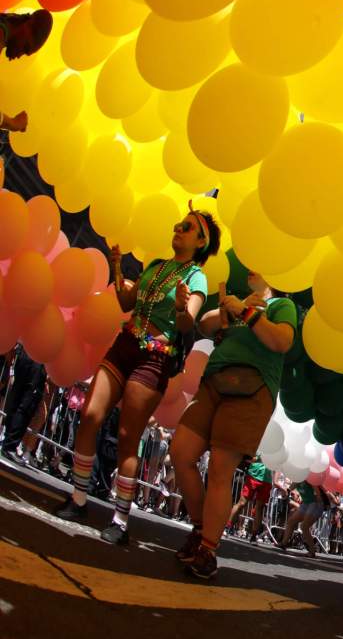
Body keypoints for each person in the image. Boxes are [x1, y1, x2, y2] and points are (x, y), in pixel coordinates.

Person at [53, 209, 219, 544]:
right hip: (125, 344)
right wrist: (116, 267)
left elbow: (188, 323)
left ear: (201, 241)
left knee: (129, 437)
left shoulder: (197, 277)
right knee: (90, 415)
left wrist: (179, 308)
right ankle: (79, 500)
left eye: (187, 228)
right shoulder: (156, 266)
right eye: (179, 223)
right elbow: (126, 301)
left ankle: (120, 519)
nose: (178, 228)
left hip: (154, 359)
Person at [169, 269, 297, 577]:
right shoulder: (238, 301)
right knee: (180, 452)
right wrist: (229, 307)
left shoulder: (282, 305)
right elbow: (205, 325)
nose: (253, 265)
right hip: (213, 382)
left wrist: (248, 312)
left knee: (220, 469)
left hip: (252, 388)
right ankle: (202, 530)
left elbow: (281, 341)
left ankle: (207, 550)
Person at [228, 455, 273, 540]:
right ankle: (227, 526)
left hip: (267, 480)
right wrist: (259, 458)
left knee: (259, 508)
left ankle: (254, 536)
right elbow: (251, 458)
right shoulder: (261, 444)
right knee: (242, 503)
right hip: (253, 476)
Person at [280, 479, 327, 557]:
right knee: (291, 521)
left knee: (304, 526)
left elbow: (317, 492)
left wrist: (318, 502)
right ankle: (283, 544)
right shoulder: (298, 478)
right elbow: (290, 488)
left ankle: (312, 551)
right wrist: (286, 492)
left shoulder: (309, 478)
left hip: (315, 503)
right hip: (306, 503)